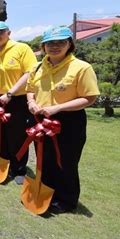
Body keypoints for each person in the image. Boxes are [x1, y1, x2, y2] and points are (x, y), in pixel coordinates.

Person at [26, 27, 99, 213]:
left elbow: (89, 98)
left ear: (70, 44)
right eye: (50, 43)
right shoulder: (37, 67)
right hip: (41, 118)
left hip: (68, 120)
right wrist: (31, 102)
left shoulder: (81, 68)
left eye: (61, 42)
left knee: (65, 161)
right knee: (45, 159)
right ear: (43, 46)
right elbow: (30, 90)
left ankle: (66, 200)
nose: (55, 46)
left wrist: (58, 108)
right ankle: (46, 194)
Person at [0, 21, 37, 184]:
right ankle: (2, 164)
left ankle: (18, 169)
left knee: (17, 136)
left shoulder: (21, 49)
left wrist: (10, 93)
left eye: (0, 32)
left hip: (16, 100)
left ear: (8, 33)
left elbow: (30, 73)